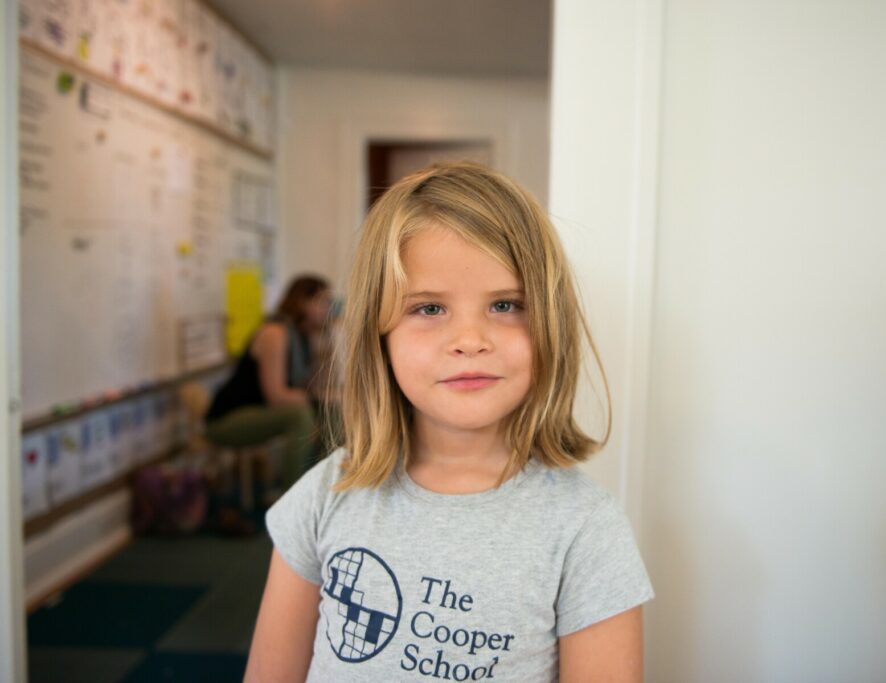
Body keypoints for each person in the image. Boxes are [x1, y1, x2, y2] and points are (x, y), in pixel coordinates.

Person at [244, 163, 653, 682]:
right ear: (380, 334)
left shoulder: (585, 528)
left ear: (550, 324)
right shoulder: (326, 495)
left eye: (506, 305)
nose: (469, 339)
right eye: (430, 308)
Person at [205, 274, 332, 494]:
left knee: (334, 411)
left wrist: (324, 344)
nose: (328, 309)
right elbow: (277, 394)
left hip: (260, 412)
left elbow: (310, 386)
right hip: (228, 419)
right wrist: (317, 398)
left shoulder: (302, 335)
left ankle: (329, 490)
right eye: (323, 302)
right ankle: (292, 498)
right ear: (303, 302)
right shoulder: (276, 332)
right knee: (300, 415)